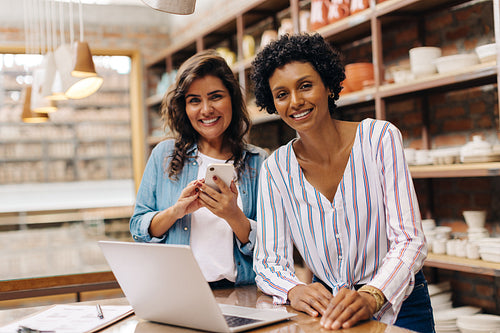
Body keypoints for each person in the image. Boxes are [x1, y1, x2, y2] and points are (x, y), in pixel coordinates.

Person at [251, 33, 434, 332]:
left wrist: (372, 296)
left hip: (399, 302)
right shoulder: (275, 169)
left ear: (327, 85)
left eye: (305, 86)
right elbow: (268, 262)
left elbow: (410, 240)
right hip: (328, 310)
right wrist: (294, 290)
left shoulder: (379, 139)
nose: (295, 102)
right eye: (281, 94)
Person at [130, 49, 268, 288]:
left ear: (232, 100)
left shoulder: (258, 161)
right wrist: (176, 211)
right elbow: (138, 228)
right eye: (194, 100)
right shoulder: (164, 155)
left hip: (239, 292)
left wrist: (234, 216)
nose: (206, 110)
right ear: (183, 107)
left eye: (215, 97)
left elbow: (272, 246)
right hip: (177, 290)